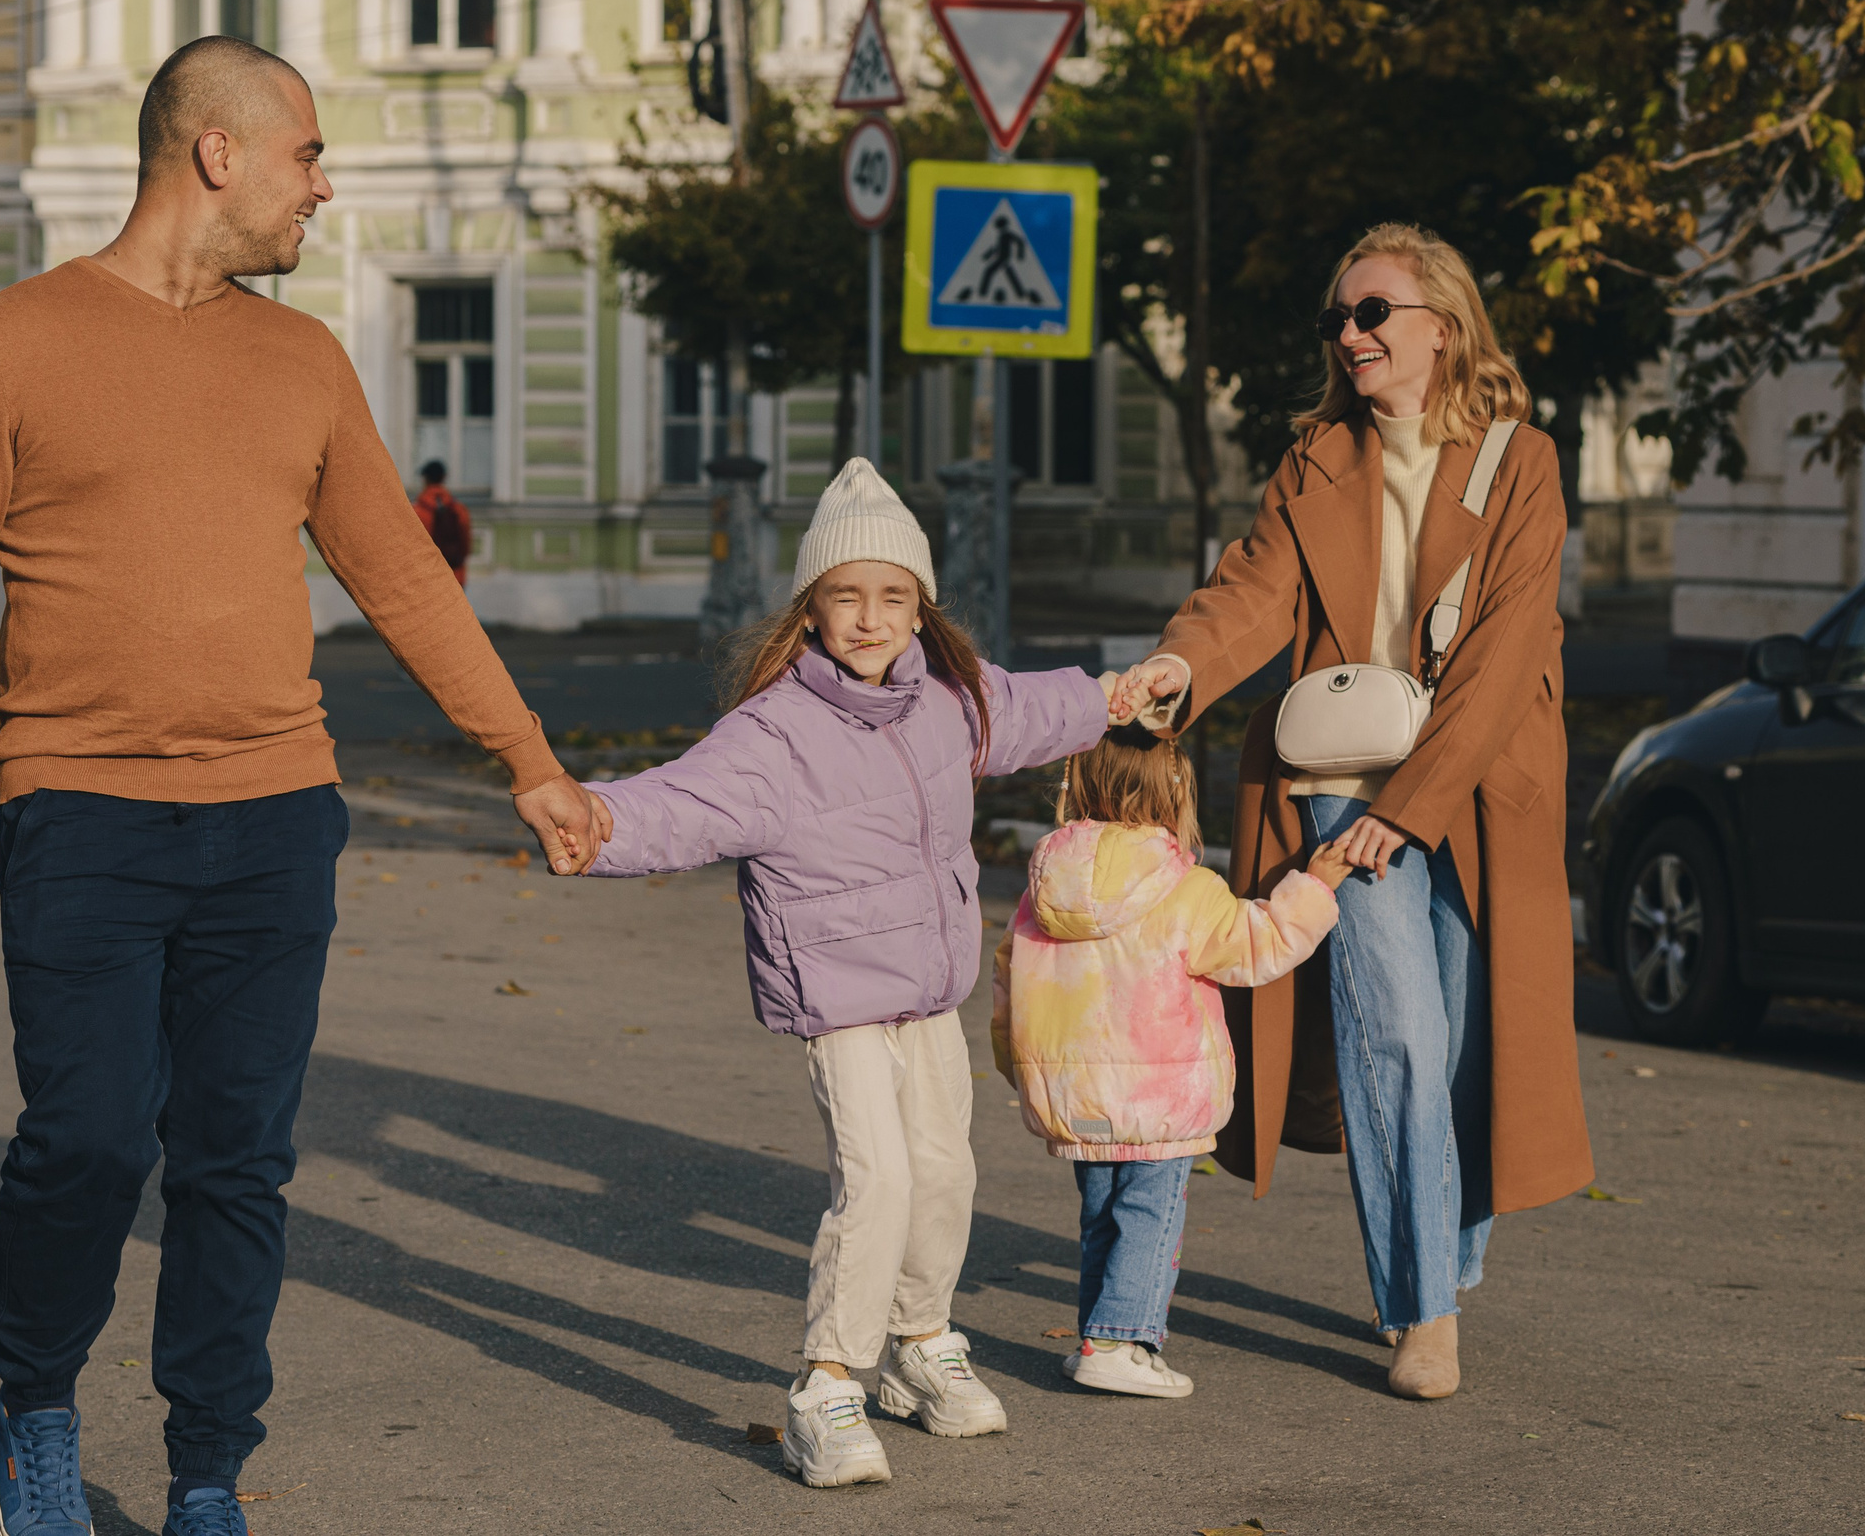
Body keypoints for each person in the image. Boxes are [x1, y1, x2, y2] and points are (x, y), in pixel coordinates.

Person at [0, 35, 604, 1536]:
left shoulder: (303, 360)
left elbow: (400, 576)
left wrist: (526, 757)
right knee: (84, 1139)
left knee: (238, 1160)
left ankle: (208, 1462)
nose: (322, 190)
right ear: (217, 151)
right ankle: (38, 1403)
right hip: (78, 810)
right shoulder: (7, 343)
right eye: (308, 157)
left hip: (275, 817)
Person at [1112, 222, 1592, 1401]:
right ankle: (1422, 1310)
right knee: (1398, 1038)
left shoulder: (1520, 464)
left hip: (1479, 787)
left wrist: (1413, 807)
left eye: (1372, 311)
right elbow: (1248, 591)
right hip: (1337, 784)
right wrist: (1181, 664)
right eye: (1337, 316)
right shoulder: (1316, 458)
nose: (1349, 333)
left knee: (1470, 1047)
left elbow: (1499, 659)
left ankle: (1447, 1245)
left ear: (1442, 323)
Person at [577, 458, 1114, 1486]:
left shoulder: (947, 701)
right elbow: (678, 802)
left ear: (920, 607)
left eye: (893, 596)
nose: (870, 618)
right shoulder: (774, 731)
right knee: (876, 1178)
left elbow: (1031, 707)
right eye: (846, 596)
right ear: (811, 608)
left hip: (926, 987)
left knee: (945, 1168)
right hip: (837, 996)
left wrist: (1112, 694)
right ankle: (825, 1386)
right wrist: (594, 821)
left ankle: (917, 1345)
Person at [991, 723, 1348, 1398]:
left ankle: (1100, 1335)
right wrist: (1315, 886)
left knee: (1103, 1216)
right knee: (1151, 1215)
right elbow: (1258, 944)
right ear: (1173, 793)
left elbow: (1009, 986)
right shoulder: (1186, 888)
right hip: (1162, 1098)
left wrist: (1025, 1072)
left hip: (1076, 1098)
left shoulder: (1044, 889)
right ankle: (1123, 1341)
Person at [412, 459, 472, 583]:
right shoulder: (458, 509)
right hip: (454, 577)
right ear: (444, 478)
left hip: (426, 579)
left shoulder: (416, 512)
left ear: (425, 479)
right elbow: (465, 547)